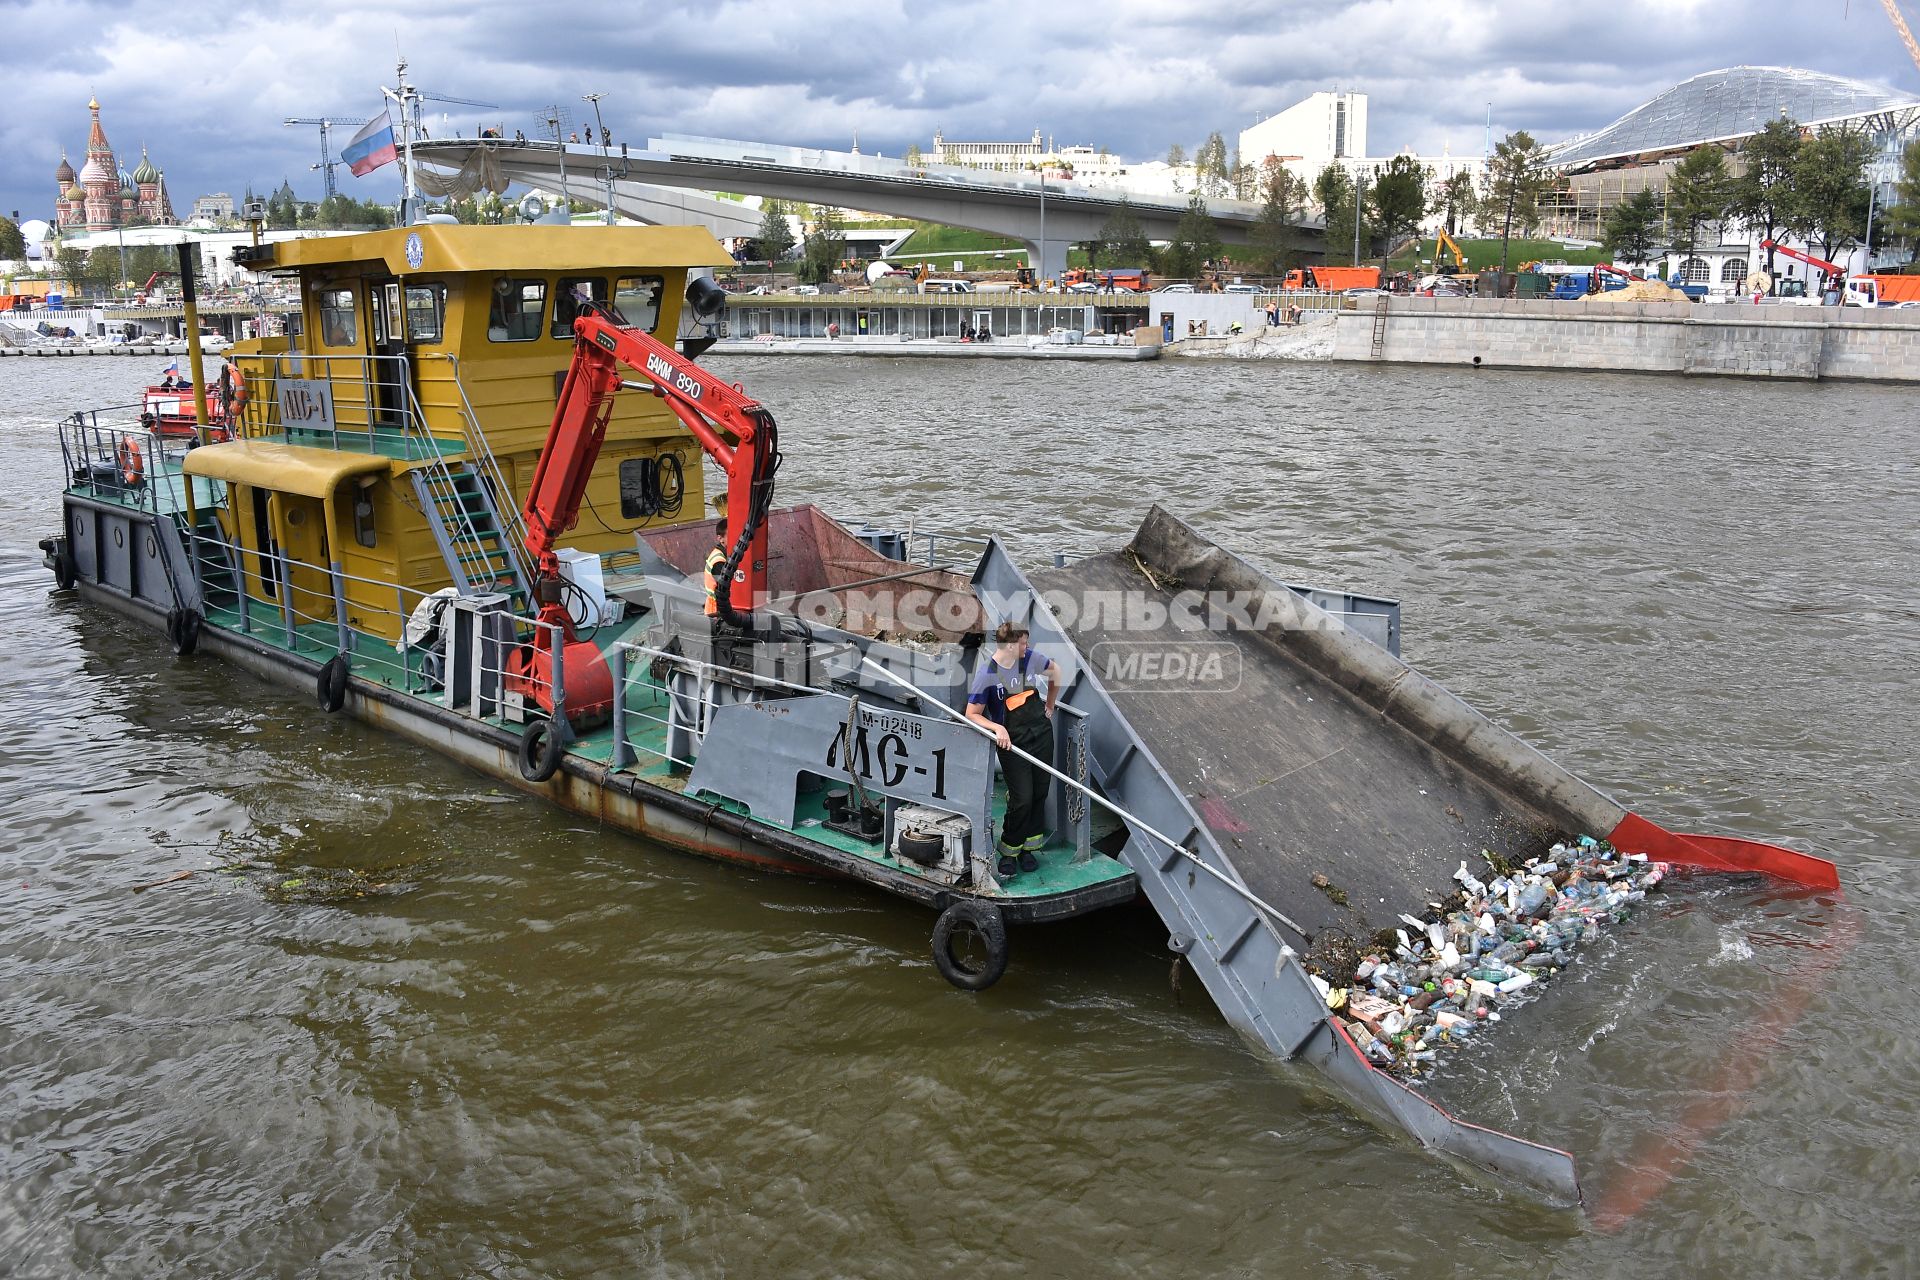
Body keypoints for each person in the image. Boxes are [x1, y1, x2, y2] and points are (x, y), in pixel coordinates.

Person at [965, 621, 1059, 877]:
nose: (1027, 647)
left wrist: (1049, 705)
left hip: (1040, 735)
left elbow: (1055, 671)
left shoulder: (1028, 658)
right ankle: (1009, 852)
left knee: (1039, 793)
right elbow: (972, 714)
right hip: (1013, 743)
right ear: (1008, 646)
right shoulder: (987, 675)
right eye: (1022, 643)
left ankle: (1028, 849)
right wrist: (998, 728)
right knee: (1022, 799)